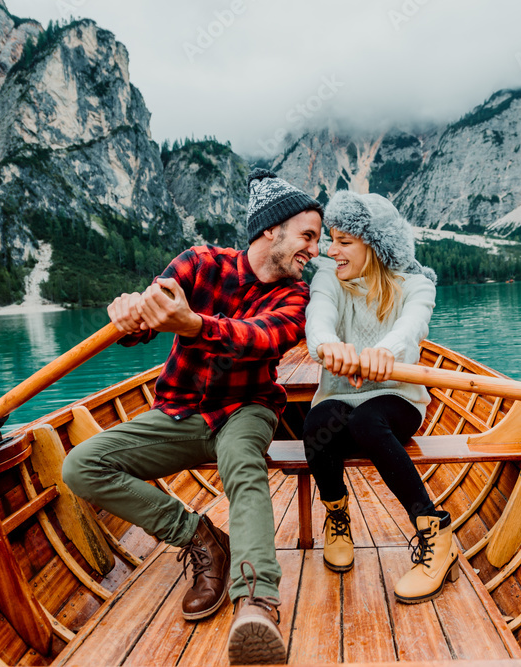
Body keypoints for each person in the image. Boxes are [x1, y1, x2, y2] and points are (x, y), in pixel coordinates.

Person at [63, 169, 322, 665]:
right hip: (179, 410)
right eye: (307, 236)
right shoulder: (200, 263)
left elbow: (261, 339)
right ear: (272, 230)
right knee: (81, 466)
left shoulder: (296, 296)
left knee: (243, 467)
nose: (314, 249)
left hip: (246, 409)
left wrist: (195, 324)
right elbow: (147, 319)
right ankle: (201, 538)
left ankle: (257, 603)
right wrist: (128, 316)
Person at [302, 190, 458, 604]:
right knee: (316, 424)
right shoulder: (327, 278)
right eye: (331, 239)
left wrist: (381, 354)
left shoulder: (418, 284)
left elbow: (410, 329)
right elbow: (318, 320)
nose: (330, 250)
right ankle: (337, 515)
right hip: (341, 398)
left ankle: (435, 533)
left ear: (374, 245)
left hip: (398, 398)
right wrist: (327, 345)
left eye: (344, 242)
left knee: (369, 419)